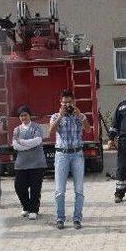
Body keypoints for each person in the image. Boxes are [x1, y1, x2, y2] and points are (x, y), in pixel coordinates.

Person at [49, 90, 91, 230]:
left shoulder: (79, 116)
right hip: (62, 155)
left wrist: (79, 115)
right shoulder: (55, 116)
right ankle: (60, 218)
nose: (67, 104)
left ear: (73, 102)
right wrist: (60, 117)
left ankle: (77, 219)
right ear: (60, 103)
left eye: (69, 102)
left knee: (79, 189)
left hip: (77, 155)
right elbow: (51, 131)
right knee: (60, 189)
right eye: (64, 102)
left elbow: (88, 129)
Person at [12, 105, 48, 220]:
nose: (23, 117)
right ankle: (26, 207)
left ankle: (34, 210)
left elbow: (37, 141)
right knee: (19, 186)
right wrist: (27, 144)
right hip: (21, 164)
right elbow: (15, 145)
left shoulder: (37, 127)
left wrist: (22, 142)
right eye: (21, 116)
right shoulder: (16, 130)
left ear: (29, 115)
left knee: (35, 187)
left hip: (37, 163)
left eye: (25, 115)